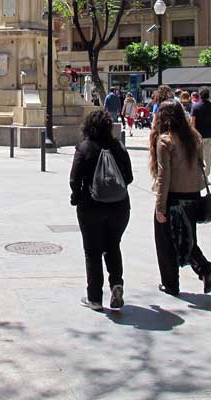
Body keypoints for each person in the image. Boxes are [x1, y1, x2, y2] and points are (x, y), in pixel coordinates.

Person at [69, 110, 134, 311]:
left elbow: (74, 179)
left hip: (91, 207)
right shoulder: (118, 148)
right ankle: (116, 284)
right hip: (119, 206)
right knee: (113, 246)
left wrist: (77, 196)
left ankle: (95, 298)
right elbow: (129, 177)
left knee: (92, 252)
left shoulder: (84, 148)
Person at [150, 101, 211, 297]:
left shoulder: (165, 140)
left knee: (166, 243)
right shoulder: (195, 137)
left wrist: (160, 206)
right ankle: (204, 268)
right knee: (187, 239)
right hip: (193, 196)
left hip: (173, 198)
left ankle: (171, 284)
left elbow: (164, 175)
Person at [190, 88, 211, 177]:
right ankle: (206, 175)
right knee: (208, 157)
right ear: (209, 95)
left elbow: (192, 122)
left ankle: (199, 175)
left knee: (199, 157)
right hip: (210, 135)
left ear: (200, 95)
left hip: (199, 135)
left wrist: (193, 132)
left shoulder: (195, 106)